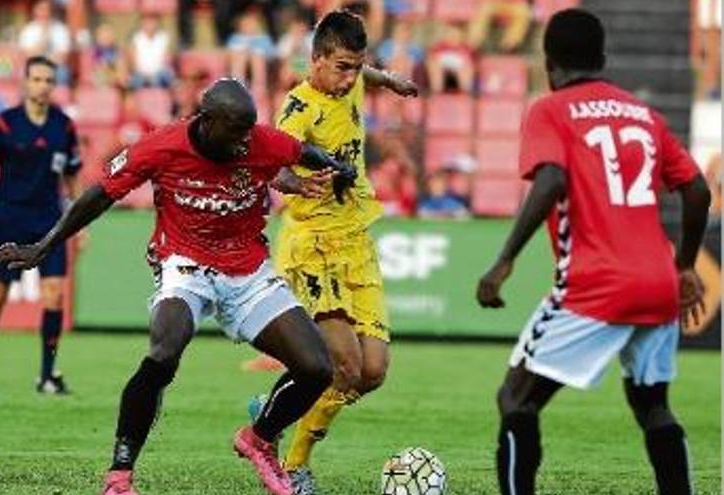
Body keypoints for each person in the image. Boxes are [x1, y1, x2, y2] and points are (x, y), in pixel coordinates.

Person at [0, 78, 365, 495]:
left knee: (317, 368)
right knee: (164, 353)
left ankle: (259, 439)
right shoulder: (162, 146)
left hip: (248, 269)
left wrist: (339, 167)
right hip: (185, 264)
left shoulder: (258, 140)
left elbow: (301, 152)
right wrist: (43, 246)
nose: (245, 142)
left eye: (249, 131)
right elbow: (98, 195)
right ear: (207, 122)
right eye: (236, 132)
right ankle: (119, 476)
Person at [475, 10, 710, 495]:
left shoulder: (550, 109)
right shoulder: (644, 114)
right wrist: (684, 265)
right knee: (653, 406)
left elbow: (552, 179)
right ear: (602, 57)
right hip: (658, 283)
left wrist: (505, 260)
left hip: (596, 283)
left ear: (548, 62)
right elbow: (697, 190)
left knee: (516, 399)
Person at [262, 10, 418, 494]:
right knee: (344, 365)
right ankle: (294, 463)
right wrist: (301, 184)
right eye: (343, 67)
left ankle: (276, 408)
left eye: (357, 67)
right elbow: (273, 167)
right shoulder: (297, 108)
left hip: (356, 239)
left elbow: (362, 74)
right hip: (312, 246)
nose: (351, 78)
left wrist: (387, 79)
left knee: (371, 373)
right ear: (317, 60)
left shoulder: (350, 80)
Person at [0, 56, 83, 395]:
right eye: (37, 79)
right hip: (10, 220)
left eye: (49, 80)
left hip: (50, 223)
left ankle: (47, 375)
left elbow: (73, 178)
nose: (43, 85)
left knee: (54, 295)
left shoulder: (64, 126)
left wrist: (81, 223)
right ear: (25, 82)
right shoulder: (4, 124)